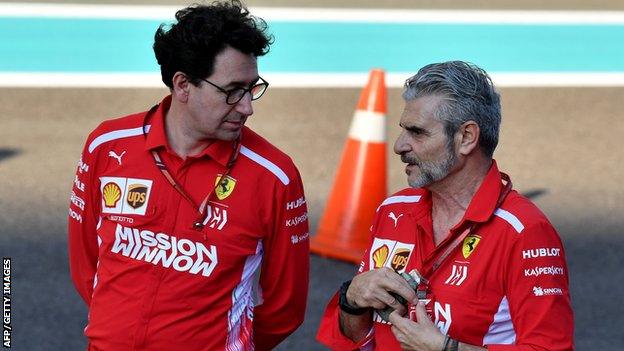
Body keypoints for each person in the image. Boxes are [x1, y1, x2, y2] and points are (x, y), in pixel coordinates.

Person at [67, 2, 309, 350]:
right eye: (232, 91)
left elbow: (285, 307)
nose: (247, 106)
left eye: (252, 88)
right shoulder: (106, 145)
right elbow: (86, 264)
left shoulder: (274, 176)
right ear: (183, 85)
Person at [317, 61, 574, 351]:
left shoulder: (525, 231)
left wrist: (446, 349)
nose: (399, 145)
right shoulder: (393, 211)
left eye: (417, 132)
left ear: (466, 137)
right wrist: (352, 300)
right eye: (403, 130)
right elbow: (354, 338)